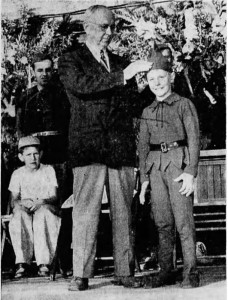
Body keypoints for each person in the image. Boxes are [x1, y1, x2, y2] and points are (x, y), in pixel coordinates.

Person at [58, 5, 152, 291]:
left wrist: (147, 84)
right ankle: (81, 274)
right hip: (88, 148)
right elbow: (83, 86)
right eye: (103, 27)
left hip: (120, 147)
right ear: (87, 27)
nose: (109, 33)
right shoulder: (70, 60)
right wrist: (125, 76)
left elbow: (132, 106)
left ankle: (125, 272)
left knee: (124, 212)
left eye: (112, 27)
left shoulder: (122, 62)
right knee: (85, 213)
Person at [138, 50, 200, 288]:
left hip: (178, 167)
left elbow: (193, 139)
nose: (157, 83)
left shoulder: (184, 105)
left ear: (171, 77)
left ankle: (191, 273)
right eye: (151, 79)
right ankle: (166, 271)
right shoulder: (147, 112)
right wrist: (144, 181)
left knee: (184, 222)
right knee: (162, 223)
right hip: (156, 170)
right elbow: (143, 149)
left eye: (161, 77)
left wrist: (190, 172)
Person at [16, 53, 72, 274]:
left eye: (48, 70)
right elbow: (21, 130)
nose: (45, 74)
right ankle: (35, 261)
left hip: (58, 158)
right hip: (34, 160)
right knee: (32, 207)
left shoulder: (62, 94)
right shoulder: (26, 97)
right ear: (33, 72)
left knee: (58, 207)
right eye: (40, 70)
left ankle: (62, 261)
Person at [8, 136, 61, 278]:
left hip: (45, 207)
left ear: (41, 154)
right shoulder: (17, 174)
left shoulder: (48, 170)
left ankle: (44, 263)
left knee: (42, 214)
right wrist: (22, 203)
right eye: (28, 155)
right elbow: (14, 200)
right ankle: (21, 262)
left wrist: (41, 201)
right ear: (21, 157)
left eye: (36, 154)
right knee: (18, 214)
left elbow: (54, 196)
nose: (33, 158)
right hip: (26, 210)